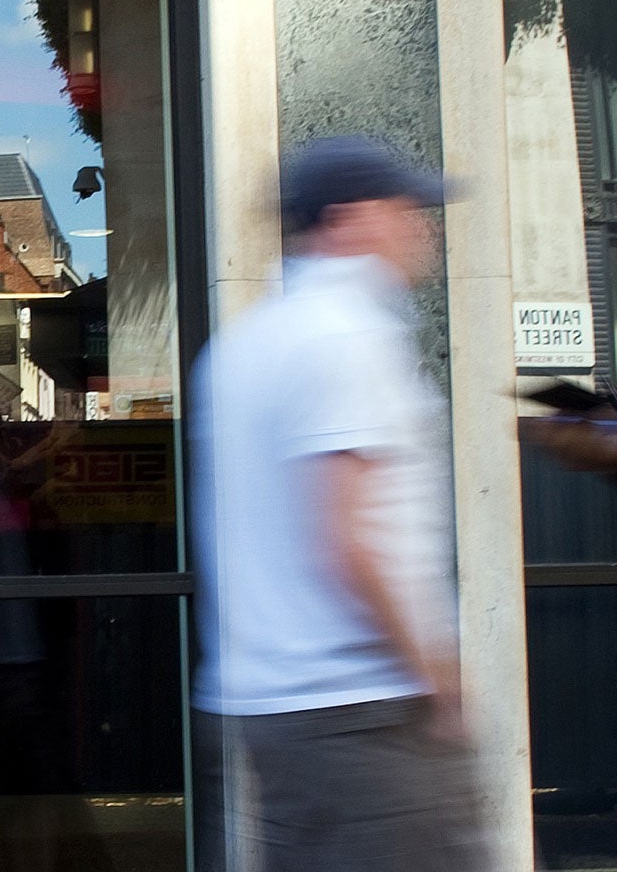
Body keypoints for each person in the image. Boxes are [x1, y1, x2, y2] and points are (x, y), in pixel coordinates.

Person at [189, 135, 477, 872]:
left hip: (272, 716)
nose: (424, 228)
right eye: (407, 210)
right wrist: (438, 676)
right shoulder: (347, 336)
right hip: (365, 715)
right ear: (347, 221)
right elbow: (348, 540)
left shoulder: (241, 346)